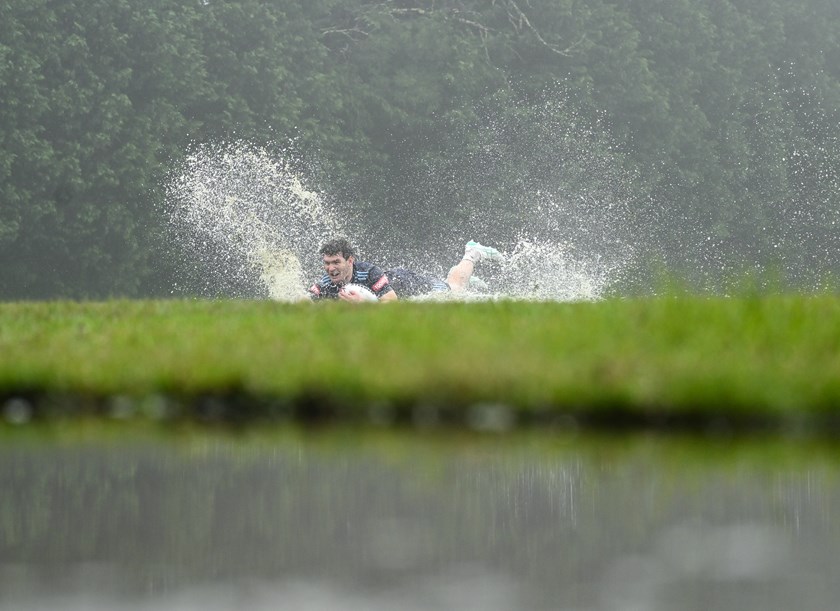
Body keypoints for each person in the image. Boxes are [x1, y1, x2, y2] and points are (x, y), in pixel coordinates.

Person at [308, 237, 503, 302]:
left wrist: (364, 304)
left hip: (406, 282)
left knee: (455, 289)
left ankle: (472, 252)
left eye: (335, 262)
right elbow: (305, 302)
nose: (330, 268)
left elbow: (391, 302)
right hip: (391, 285)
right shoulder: (326, 283)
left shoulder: (369, 271)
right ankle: (468, 279)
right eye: (326, 263)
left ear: (350, 260)